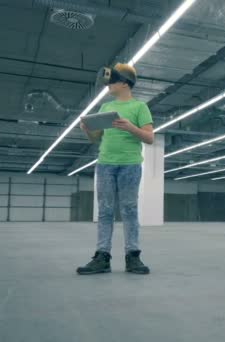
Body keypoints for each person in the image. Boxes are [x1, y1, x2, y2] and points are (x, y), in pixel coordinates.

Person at [76, 63, 154, 275]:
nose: (108, 85)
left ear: (124, 83)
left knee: (129, 209)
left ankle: (133, 257)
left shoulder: (140, 107)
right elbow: (96, 139)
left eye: (112, 82)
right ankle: (102, 257)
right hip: (105, 164)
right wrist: (87, 130)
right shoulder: (105, 108)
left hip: (130, 165)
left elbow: (149, 137)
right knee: (105, 211)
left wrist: (130, 127)